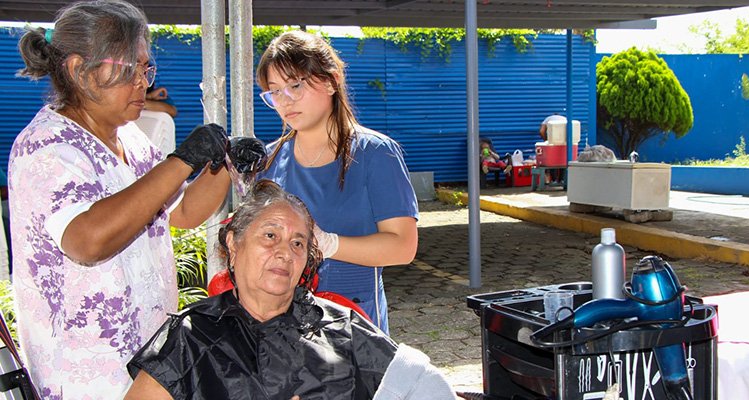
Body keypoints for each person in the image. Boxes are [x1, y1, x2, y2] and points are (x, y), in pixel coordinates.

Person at [10, 1, 231, 398]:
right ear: (79, 70)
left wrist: (224, 164)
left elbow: (182, 211)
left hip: (147, 362)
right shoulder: (46, 146)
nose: (142, 83)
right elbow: (87, 241)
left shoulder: (129, 137)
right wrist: (182, 160)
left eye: (146, 69)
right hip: (89, 375)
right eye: (128, 69)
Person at [124, 180, 456, 400]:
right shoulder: (191, 336)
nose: (286, 252)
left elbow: (425, 387)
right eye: (270, 236)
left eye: (298, 242)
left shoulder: (342, 327)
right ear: (233, 243)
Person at [254, 30, 418, 334]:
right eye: (274, 91)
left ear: (331, 81)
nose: (284, 100)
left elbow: (403, 246)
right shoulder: (269, 158)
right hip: (283, 323)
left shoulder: (375, 153)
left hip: (354, 323)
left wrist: (328, 243)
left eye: (295, 85)